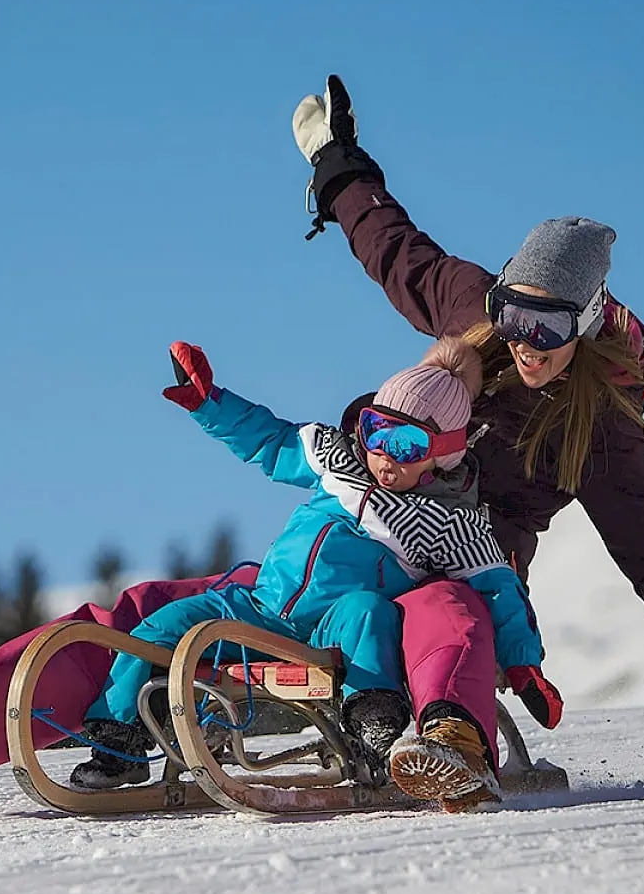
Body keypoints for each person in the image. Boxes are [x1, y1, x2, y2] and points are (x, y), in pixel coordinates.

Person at [290, 75, 644, 778]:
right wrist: (335, 159)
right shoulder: (469, 310)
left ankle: (439, 731)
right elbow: (391, 247)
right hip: (377, 515)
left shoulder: (599, 432)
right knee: (301, 578)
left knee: (437, 609)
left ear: (589, 321)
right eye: (514, 317)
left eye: (549, 326)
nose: (525, 342)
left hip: (474, 564)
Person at [48, 339, 553, 811]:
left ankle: (374, 724)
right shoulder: (337, 458)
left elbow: (497, 586)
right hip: (262, 607)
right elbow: (271, 440)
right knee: (162, 625)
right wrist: (209, 402)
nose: (383, 456)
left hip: (331, 628)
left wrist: (523, 664)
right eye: (377, 432)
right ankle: (118, 744)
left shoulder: (447, 522)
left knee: (369, 611)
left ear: (442, 453)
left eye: (405, 446)